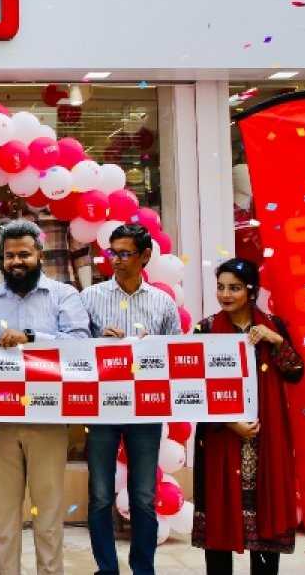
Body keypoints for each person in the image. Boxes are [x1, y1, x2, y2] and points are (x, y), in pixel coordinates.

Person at [0, 220, 90, 575]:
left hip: (47, 417)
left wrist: (31, 338)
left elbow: (80, 343)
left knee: (48, 514)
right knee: (4, 516)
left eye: (24, 254)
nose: (16, 262)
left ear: (40, 254)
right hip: (0, 418)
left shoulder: (64, 295)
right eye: (10, 256)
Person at [79, 224, 181, 575]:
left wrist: (152, 348)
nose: (117, 260)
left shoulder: (162, 302)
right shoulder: (90, 297)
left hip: (146, 410)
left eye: (125, 254)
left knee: (143, 496)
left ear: (145, 256)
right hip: (101, 408)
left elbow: (177, 354)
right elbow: (73, 350)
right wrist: (97, 341)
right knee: (100, 494)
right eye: (113, 253)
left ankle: (143, 568)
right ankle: (106, 568)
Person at [193, 259, 304, 575]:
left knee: (265, 520)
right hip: (220, 438)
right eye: (220, 287)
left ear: (251, 291)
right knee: (219, 518)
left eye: (235, 288)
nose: (225, 294)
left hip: (265, 439)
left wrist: (276, 340)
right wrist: (230, 423)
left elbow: (296, 373)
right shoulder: (205, 329)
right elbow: (192, 388)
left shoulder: (273, 326)